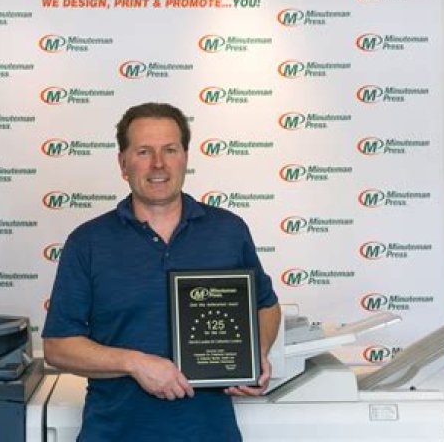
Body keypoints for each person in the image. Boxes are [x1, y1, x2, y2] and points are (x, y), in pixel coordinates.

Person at [42, 102, 281, 441]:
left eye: (170, 150)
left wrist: (255, 353)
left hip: (210, 433)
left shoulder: (228, 230)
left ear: (185, 157)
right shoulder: (88, 242)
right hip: (115, 433)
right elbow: (57, 347)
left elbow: (266, 306)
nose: (158, 164)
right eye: (144, 151)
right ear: (123, 163)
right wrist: (135, 363)